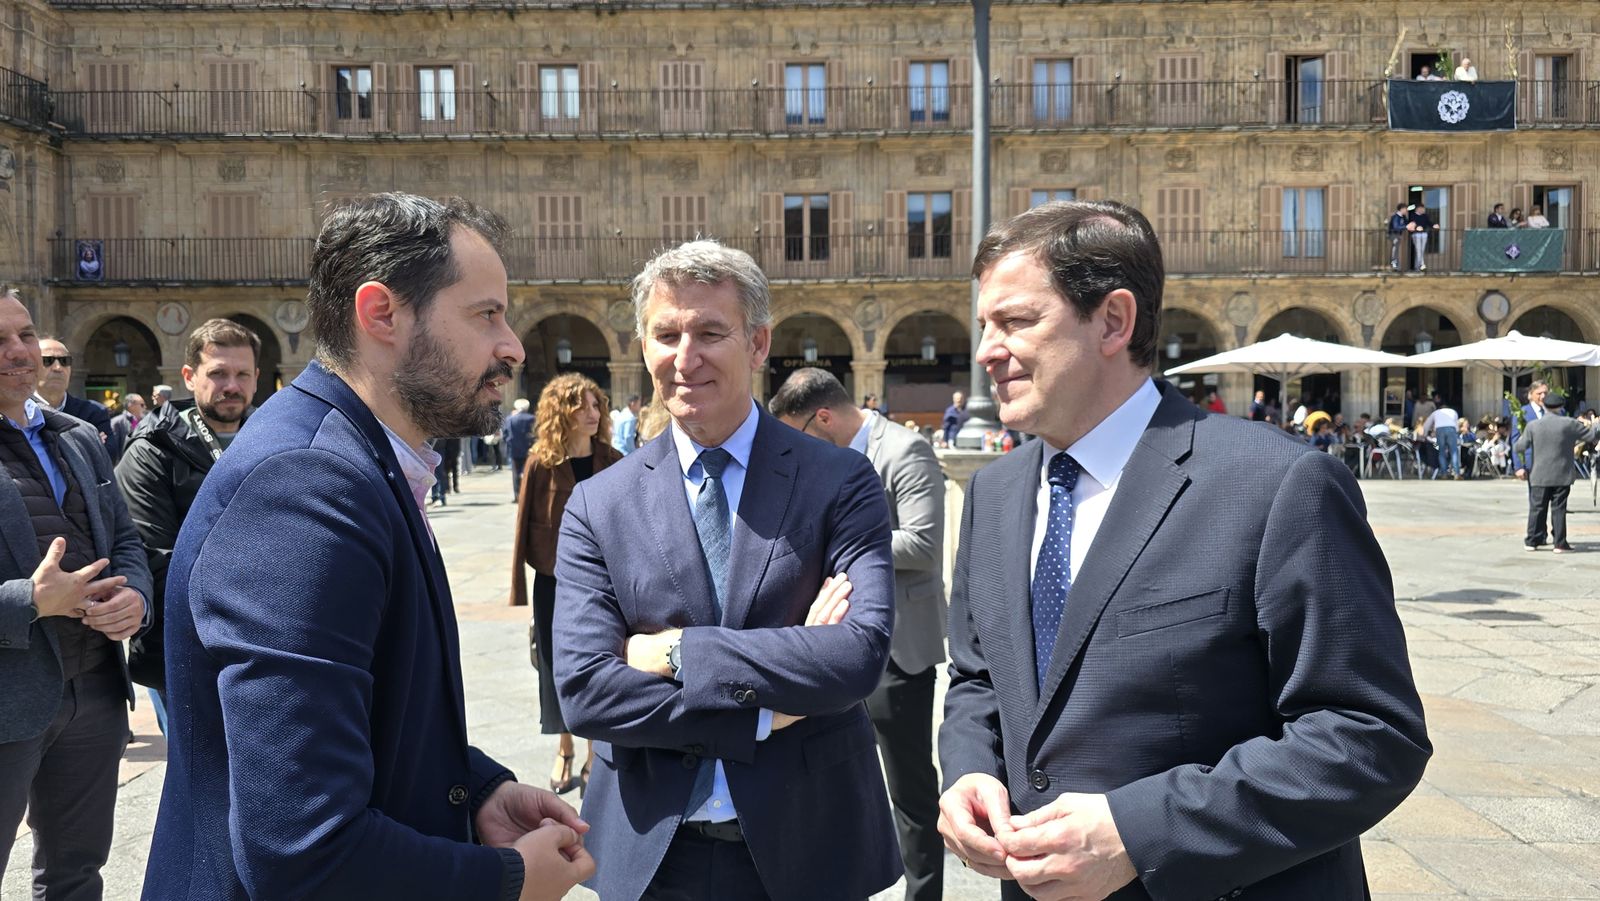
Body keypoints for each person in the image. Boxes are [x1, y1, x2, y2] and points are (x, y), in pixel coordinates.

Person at [937, 200, 1430, 900]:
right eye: (984, 324)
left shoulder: (1277, 483)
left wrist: (1141, 833)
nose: (985, 349)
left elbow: (1370, 735)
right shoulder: (993, 493)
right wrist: (969, 770)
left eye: (1016, 321)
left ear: (1114, 321)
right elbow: (979, 678)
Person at [142, 194, 594, 900]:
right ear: (381, 313)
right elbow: (303, 846)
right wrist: (507, 881)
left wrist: (475, 788)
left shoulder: (356, 459)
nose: (512, 345)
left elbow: (357, 712)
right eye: (486, 314)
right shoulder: (305, 485)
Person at [551, 239, 902, 901]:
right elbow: (586, 690)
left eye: (711, 333)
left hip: (809, 843)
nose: (686, 358)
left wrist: (675, 651)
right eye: (667, 334)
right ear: (644, 346)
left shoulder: (839, 480)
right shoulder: (599, 503)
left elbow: (857, 656)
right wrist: (762, 714)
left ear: (758, 343)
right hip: (652, 853)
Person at [769, 367, 947, 901]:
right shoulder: (819, 463)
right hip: (835, 646)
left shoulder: (905, 450)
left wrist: (845, 539)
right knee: (836, 778)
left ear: (822, 417)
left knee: (910, 791)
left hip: (899, 652)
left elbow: (924, 544)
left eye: (798, 433)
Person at [0, 289, 153, 900]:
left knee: (77, 874)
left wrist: (135, 598)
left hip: (93, 692)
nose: (19, 351)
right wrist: (30, 601)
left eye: (25, 335)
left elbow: (125, 540)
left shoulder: (80, 437)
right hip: (7, 705)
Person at [115, 318, 261, 736]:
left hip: (265, 644)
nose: (231, 386)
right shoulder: (153, 450)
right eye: (217, 373)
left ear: (256, 378)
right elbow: (156, 560)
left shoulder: (273, 436)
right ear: (189, 376)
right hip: (182, 651)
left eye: (242, 374)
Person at [510, 373, 622, 796]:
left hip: (604, 583)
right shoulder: (541, 463)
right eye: (582, 406)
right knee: (555, 666)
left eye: (597, 405)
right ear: (562, 412)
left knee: (599, 662)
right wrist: (518, 588)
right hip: (553, 582)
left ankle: (594, 751)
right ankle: (564, 747)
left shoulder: (613, 459)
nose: (593, 414)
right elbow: (524, 526)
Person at [1516, 392, 1596, 553]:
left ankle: (1532, 540)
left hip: (1539, 474)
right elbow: (1591, 436)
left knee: (1537, 508)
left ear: (1544, 406)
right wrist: (1594, 424)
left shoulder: (1533, 425)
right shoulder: (1569, 423)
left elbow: (1520, 447)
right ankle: (1559, 543)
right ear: (1561, 407)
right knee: (1559, 508)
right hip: (1562, 473)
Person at [34, 336, 114, 458]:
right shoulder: (18, 412)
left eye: (64, 361)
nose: (58, 368)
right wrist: (86, 445)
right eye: (47, 360)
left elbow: (106, 459)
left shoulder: (94, 413)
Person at [1512, 380, 1550, 478]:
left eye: (1545, 393)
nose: (1543, 396)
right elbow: (1516, 441)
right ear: (1531, 395)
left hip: (1553, 463)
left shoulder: (1556, 411)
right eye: (1539, 393)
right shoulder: (1522, 413)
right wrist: (1519, 466)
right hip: (1532, 463)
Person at [502, 397, 536, 499]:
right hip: (529, 449)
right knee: (529, 472)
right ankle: (528, 493)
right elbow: (536, 433)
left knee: (515, 473)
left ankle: (517, 495)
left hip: (514, 449)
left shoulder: (510, 419)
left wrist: (509, 443)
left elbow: (505, 434)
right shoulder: (532, 418)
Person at [1424, 397, 1462, 479]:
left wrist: (1425, 434)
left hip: (1440, 429)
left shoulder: (1436, 412)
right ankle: (1457, 474)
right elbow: (1456, 426)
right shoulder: (1453, 411)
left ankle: (1444, 474)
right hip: (1451, 429)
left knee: (1441, 451)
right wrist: (1456, 434)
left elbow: (1427, 423)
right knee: (1454, 451)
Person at [108, 391, 145, 464]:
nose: (145, 407)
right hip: (124, 464)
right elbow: (114, 448)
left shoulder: (144, 420)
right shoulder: (117, 422)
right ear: (131, 405)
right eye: (142, 405)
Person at [1407, 201, 1437, 271]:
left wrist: (1434, 225)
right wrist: (1416, 227)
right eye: (1421, 208)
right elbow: (1411, 224)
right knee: (1418, 250)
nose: (1422, 210)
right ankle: (1422, 264)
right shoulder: (1412, 215)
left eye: (1423, 208)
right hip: (1416, 234)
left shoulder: (1425, 216)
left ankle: (1417, 267)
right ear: (1417, 209)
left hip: (1424, 234)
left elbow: (1429, 223)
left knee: (1421, 250)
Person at [1386, 202, 1407, 270]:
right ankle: (1394, 266)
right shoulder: (1396, 216)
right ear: (1401, 209)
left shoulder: (1403, 217)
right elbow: (1396, 227)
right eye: (1405, 209)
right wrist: (1406, 226)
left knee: (1396, 250)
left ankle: (1396, 266)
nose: (1406, 210)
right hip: (1394, 235)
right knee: (1394, 251)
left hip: (1398, 235)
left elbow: (1406, 223)